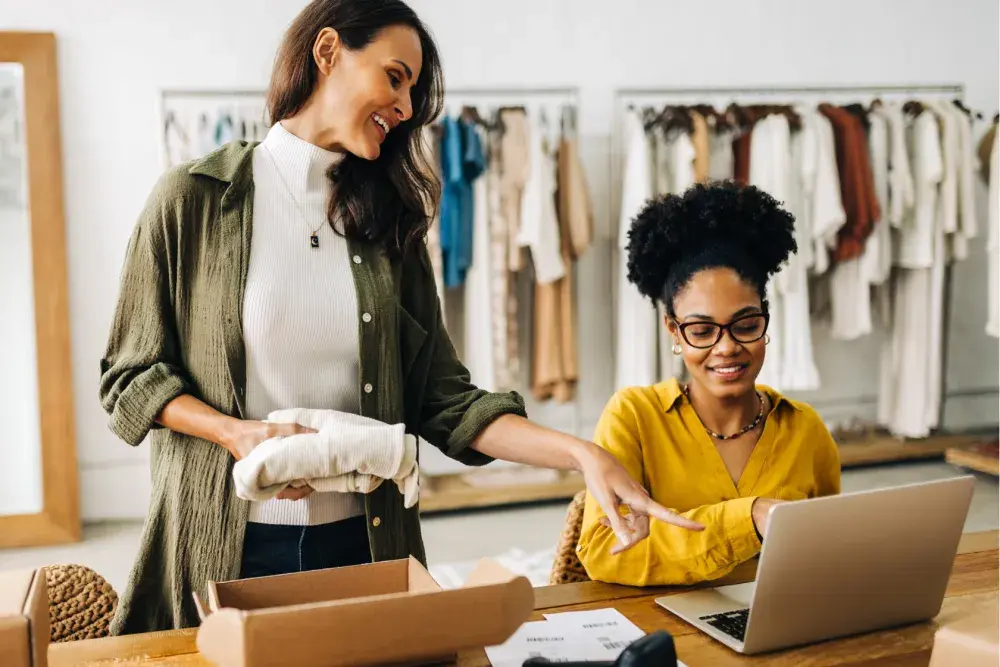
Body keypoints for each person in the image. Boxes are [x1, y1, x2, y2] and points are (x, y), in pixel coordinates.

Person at [99, 0, 700, 635]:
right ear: (327, 52)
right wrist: (235, 434)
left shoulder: (388, 229)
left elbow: (447, 403)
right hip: (228, 550)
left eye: (413, 88)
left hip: (368, 545)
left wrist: (581, 455)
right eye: (395, 77)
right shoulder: (192, 201)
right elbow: (129, 377)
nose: (407, 108)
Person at [577, 182, 841, 587]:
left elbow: (827, 555)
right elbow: (604, 552)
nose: (727, 347)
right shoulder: (634, 417)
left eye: (746, 325)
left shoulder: (806, 430)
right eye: (702, 331)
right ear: (674, 332)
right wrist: (749, 517)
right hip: (664, 635)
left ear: (766, 320)